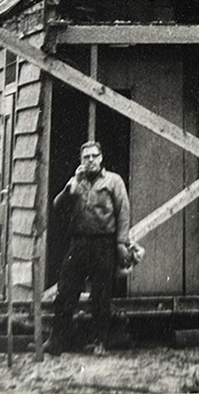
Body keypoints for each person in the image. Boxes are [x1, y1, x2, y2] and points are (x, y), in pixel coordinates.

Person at [44, 140, 130, 356]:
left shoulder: (113, 181)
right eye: (86, 157)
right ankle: (56, 341)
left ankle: (100, 341)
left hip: (104, 244)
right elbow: (57, 207)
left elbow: (123, 212)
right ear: (81, 161)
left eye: (94, 156)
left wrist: (121, 243)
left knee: (101, 296)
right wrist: (67, 190)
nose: (90, 160)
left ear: (101, 159)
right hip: (79, 243)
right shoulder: (75, 183)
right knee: (66, 293)